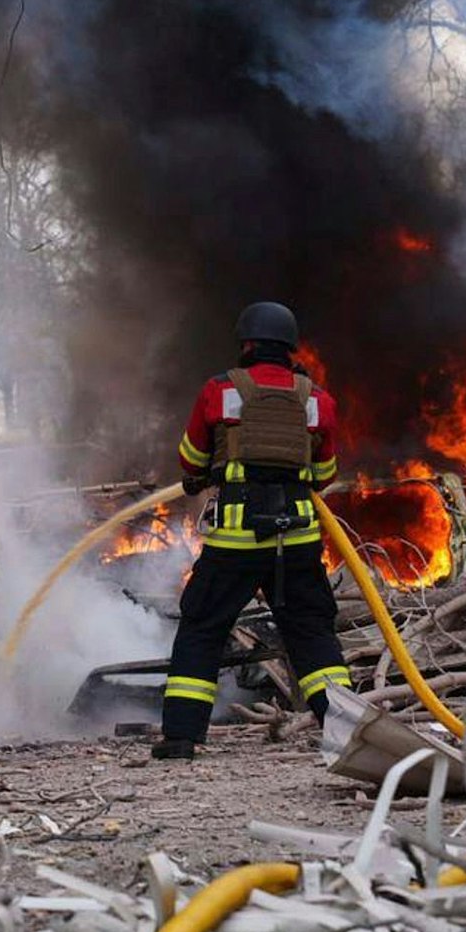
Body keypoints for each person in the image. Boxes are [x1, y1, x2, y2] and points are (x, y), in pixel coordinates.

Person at [155, 301, 351, 760]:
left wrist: (213, 470)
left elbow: (191, 458)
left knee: (203, 627)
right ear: (291, 348)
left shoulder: (220, 390)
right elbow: (325, 473)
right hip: (296, 540)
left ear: (246, 345)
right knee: (311, 634)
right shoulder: (317, 400)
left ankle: (182, 737)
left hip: (235, 541)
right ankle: (345, 734)